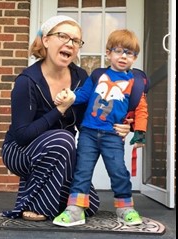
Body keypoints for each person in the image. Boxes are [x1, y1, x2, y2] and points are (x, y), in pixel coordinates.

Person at [1, 16, 131, 221]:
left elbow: (87, 122)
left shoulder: (81, 78)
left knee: (89, 206)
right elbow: (22, 136)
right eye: (63, 36)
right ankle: (37, 204)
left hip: (64, 153)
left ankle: (50, 194)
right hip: (20, 151)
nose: (70, 44)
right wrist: (60, 109)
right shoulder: (27, 81)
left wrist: (118, 127)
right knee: (62, 138)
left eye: (76, 40)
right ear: (45, 40)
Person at [53, 29, 148, 227]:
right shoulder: (98, 75)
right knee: (82, 171)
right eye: (118, 51)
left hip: (112, 135)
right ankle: (75, 210)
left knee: (118, 172)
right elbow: (83, 95)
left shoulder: (135, 83)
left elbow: (141, 109)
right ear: (108, 53)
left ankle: (125, 208)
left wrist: (139, 133)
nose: (123, 56)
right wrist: (68, 97)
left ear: (135, 58)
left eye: (128, 53)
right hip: (88, 132)